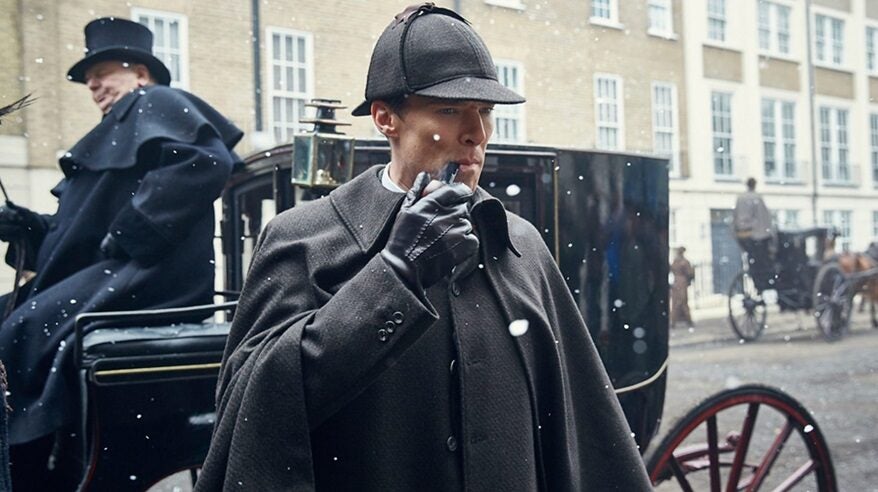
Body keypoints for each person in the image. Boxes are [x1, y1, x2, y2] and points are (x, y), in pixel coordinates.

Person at [197, 4, 651, 490]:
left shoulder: (520, 244)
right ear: (385, 118)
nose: (476, 133)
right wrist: (394, 274)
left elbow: (584, 428)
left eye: (485, 112)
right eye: (450, 109)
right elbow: (255, 409)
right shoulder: (303, 238)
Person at [0, 17, 242, 490]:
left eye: (103, 70)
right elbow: (74, 237)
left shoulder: (156, 103)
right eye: (89, 77)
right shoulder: (118, 128)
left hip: (149, 278)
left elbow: (206, 162)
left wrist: (133, 231)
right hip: (114, 272)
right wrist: (25, 226)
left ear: (141, 74)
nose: (92, 83)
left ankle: (28, 459)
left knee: (19, 332)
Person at [733, 177, 775, 291]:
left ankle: (757, 281)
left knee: (752, 260)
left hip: (743, 235)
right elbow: (763, 219)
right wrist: (770, 235)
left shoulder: (740, 198)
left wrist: (737, 231)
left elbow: (736, 217)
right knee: (764, 260)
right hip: (756, 235)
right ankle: (764, 282)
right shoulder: (757, 198)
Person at [670, 246, 695, 328]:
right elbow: (690, 273)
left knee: (675, 303)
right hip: (682, 282)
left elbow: (672, 269)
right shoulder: (685, 262)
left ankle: (674, 321)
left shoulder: (675, 261)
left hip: (676, 282)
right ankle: (688, 320)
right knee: (684, 302)